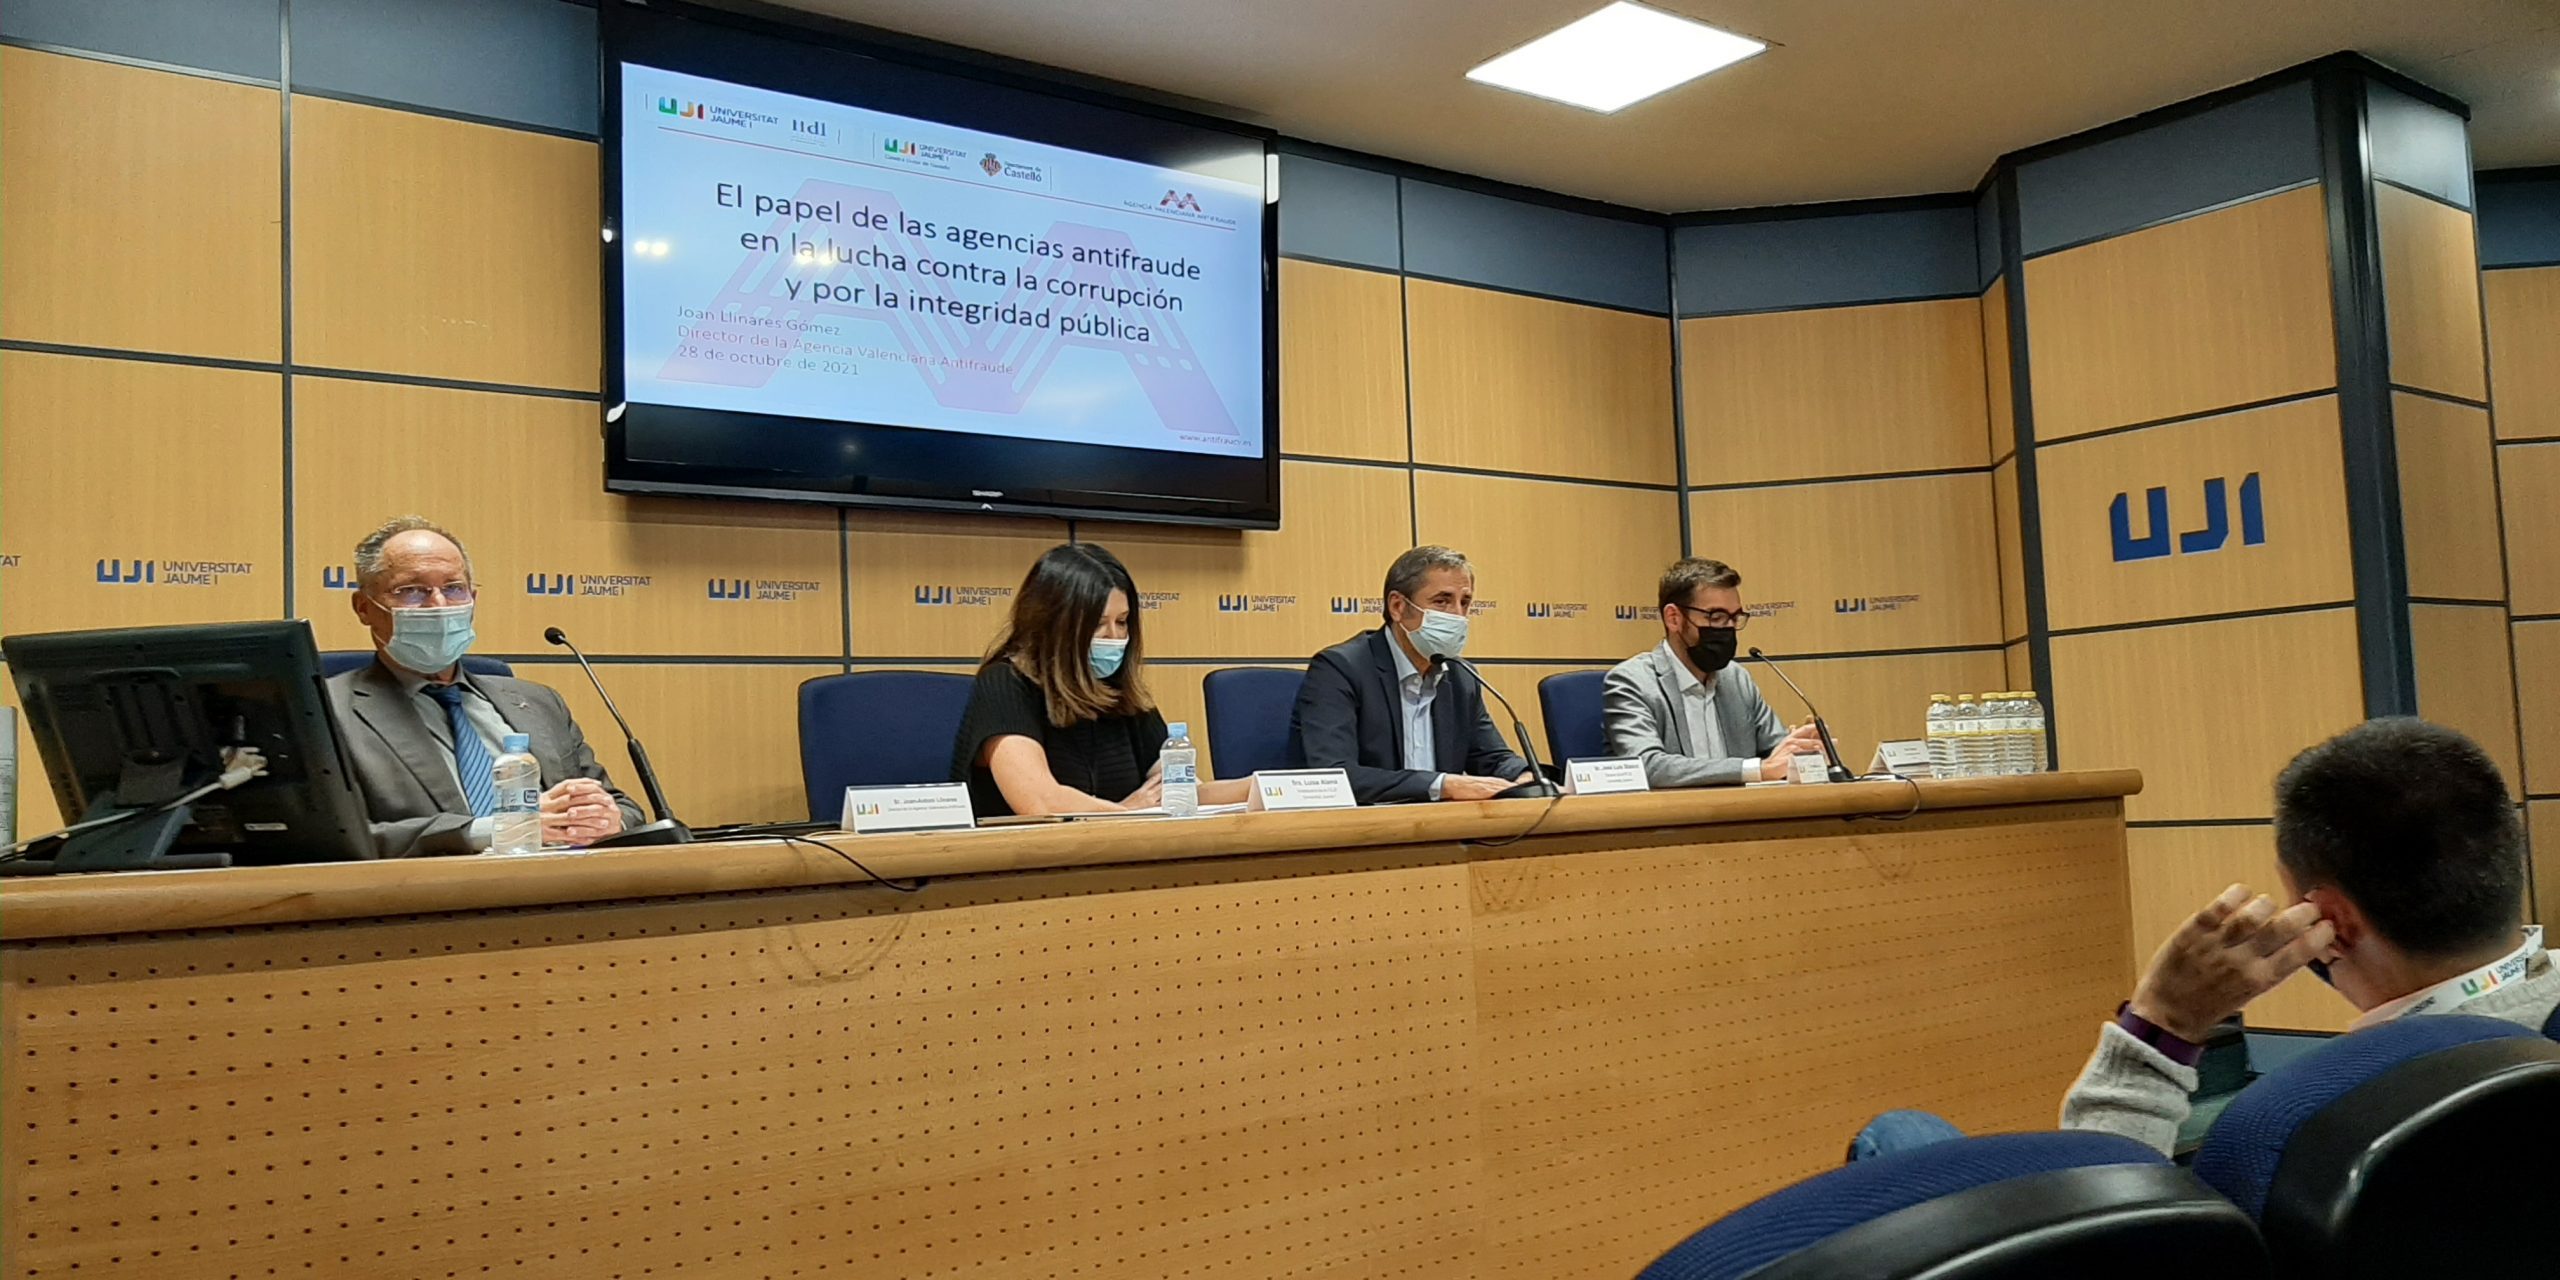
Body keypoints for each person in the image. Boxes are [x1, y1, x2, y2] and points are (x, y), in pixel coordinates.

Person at [1857, 718, 2558, 1160]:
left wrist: (2158, 1026)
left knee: (1899, 1138)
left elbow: (2101, 1232)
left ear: (2332, 925)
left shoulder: (2291, 1126)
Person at [326, 517, 641, 857]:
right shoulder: (327, 711)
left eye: (454, 588)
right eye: (412, 591)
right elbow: (328, 841)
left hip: (561, 884)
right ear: (364, 608)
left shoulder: (539, 702)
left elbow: (623, 807)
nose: (439, 604)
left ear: (473, 599)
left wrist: (608, 819)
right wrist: (497, 830)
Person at [952, 543, 1251, 817]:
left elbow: (1185, 793)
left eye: (1122, 622)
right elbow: (1040, 803)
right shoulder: (1006, 684)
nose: (1115, 637)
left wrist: (1259, 786)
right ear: (1055, 625)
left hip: (1119, 851)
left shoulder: (1120, 693)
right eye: (1098, 625)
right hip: (1025, 857)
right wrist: (1125, 812)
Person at [1293, 546, 1533, 805]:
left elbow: (1492, 758)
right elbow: (1334, 776)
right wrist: (1442, 785)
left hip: (1441, 825)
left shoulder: (1460, 677)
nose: (1458, 616)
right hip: (1368, 824)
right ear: (1397, 606)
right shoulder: (1341, 669)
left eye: (1464, 602)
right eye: (1442, 601)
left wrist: (1526, 776)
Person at [1601, 557, 1827, 786]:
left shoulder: (1736, 679)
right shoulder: (1633, 682)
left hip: (1742, 807)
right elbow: (1647, 766)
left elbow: (1776, 753)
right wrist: (1756, 769)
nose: (1728, 628)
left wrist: (1803, 752)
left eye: (1734, 618)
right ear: (1674, 618)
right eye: (1716, 617)